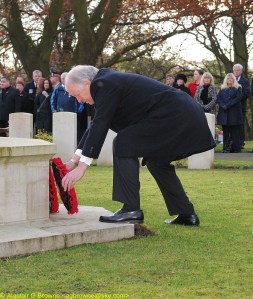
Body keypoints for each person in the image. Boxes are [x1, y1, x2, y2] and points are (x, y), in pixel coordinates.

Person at [60, 65, 216, 226]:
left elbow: (101, 124)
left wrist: (82, 167)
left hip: (176, 115)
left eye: (77, 95)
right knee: (156, 162)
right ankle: (186, 213)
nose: (79, 100)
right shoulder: (106, 83)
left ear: (87, 83)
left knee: (123, 142)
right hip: (184, 114)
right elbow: (95, 126)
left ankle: (131, 209)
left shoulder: (105, 83)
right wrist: (74, 160)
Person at [50, 72, 87, 143]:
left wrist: (79, 110)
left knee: (74, 132)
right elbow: (53, 100)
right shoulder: (57, 89)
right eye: (62, 78)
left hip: (74, 113)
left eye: (65, 78)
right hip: (61, 113)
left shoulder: (75, 87)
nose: (63, 79)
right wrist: (53, 110)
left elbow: (81, 100)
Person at [216, 73, 243, 153]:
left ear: (234, 80)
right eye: (228, 79)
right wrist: (223, 105)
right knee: (226, 131)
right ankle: (226, 148)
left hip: (234, 112)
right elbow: (219, 99)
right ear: (226, 80)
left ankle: (235, 148)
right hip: (224, 112)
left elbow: (237, 99)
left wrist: (227, 105)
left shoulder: (238, 88)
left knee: (234, 131)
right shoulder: (222, 88)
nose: (230, 80)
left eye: (231, 79)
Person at [232, 64, 250, 149]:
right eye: (234, 70)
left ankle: (241, 142)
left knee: (240, 125)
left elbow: (246, 93)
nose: (236, 71)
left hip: (240, 106)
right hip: (230, 107)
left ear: (241, 71)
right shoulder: (229, 80)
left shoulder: (245, 81)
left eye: (238, 70)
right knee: (231, 124)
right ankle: (232, 141)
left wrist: (237, 99)